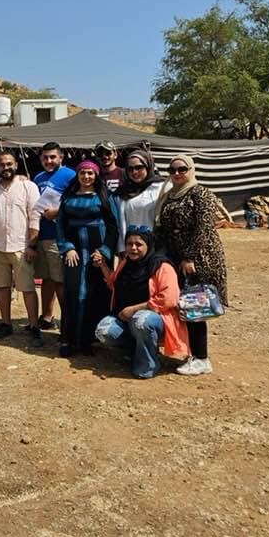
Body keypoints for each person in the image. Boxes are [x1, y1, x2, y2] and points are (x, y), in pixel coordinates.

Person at [155, 155, 228, 376]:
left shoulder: (200, 193)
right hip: (177, 259)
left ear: (191, 169)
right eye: (172, 170)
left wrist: (189, 257)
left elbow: (204, 228)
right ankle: (191, 355)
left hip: (199, 260)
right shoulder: (170, 195)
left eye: (182, 169)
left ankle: (201, 358)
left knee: (196, 307)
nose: (177, 173)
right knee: (184, 306)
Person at [94, 226, 190, 378]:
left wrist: (134, 309)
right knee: (104, 331)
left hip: (155, 321)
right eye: (129, 244)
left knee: (141, 320)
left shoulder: (161, 266)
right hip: (126, 320)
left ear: (148, 245)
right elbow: (113, 283)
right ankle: (136, 353)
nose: (133, 248)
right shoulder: (126, 264)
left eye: (138, 244)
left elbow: (169, 298)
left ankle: (147, 365)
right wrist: (103, 266)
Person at [0, 149, 43, 344]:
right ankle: (5, 323)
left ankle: (33, 325)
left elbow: (35, 217)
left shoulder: (28, 187)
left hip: (21, 247)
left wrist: (32, 245)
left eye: (9, 164)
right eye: (2, 164)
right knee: (2, 287)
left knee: (27, 288)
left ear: (16, 165)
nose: (6, 167)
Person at [56, 161, 118, 357]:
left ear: (96, 175)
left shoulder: (105, 196)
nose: (86, 176)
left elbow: (113, 226)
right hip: (73, 252)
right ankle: (68, 339)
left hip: (96, 251)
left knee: (93, 291)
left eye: (90, 173)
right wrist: (66, 248)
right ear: (78, 175)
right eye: (83, 173)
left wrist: (104, 251)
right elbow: (60, 224)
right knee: (72, 291)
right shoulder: (68, 196)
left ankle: (87, 340)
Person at [32, 142, 76, 329]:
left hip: (59, 236)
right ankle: (47, 317)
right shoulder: (38, 177)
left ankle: (68, 322)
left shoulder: (71, 175)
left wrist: (58, 212)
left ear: (61, 157)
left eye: (53, 157)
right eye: (45, 157)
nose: (49, 161)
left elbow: (77, 200)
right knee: (46, 279)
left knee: (59, 280)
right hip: (41, 234)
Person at [114, 149, 163, 253]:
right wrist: (122, 248)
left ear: (148, 166)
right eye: (130, 169)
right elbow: (119, 224)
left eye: (139, 167)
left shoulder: (161, 188)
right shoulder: (122, 192)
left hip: (154, 248)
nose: (134, 172)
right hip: (131, 249)